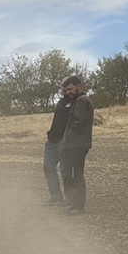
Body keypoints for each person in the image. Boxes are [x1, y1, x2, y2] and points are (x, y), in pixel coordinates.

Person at [58, 75, 94, 215]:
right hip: (76, 144)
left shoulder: (82, 100)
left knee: (76, 175)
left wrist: (67, 142)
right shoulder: (79, 100)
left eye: (71, 89)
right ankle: (76, 205)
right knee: (74, 175)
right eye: (66, 90)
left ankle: (78, 207)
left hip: (77, 145)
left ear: (79, 86)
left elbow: (77, 123)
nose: (69, 92)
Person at [42, 88, 74, 204]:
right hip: (51, 141)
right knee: (47, 166)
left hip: (64, 142)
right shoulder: (61, 102)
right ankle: (55, 196)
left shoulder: (76, 102)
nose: (64, 89)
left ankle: (70, 198)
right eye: (62, 86)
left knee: (65, 171)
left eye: (68, 87)